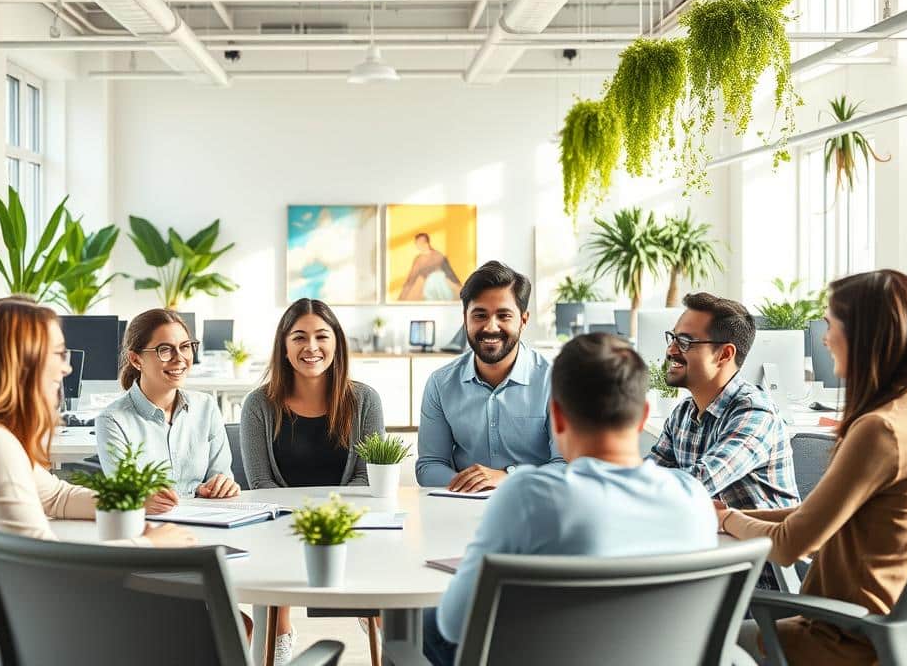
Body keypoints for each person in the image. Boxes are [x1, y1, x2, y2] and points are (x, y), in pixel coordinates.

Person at [0, 297, 192, 647]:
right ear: (23, 363)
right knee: (195, 623)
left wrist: (131, 501)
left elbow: (56, 495)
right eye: (58, 354)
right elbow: (44, 573)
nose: (66, 369)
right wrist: (148, 546)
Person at [718, 270, 907, 664]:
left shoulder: (880, 430)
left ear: (866, 335)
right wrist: (728, 517)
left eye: (829, 324)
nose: (824, 338)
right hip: (870, 632)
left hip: (838, 640)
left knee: (686, 635)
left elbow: (790, 545)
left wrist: (729, 520)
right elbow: (813, 519)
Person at [422, 333, 718, 666]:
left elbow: (456, 623)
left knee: (427, 625)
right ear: (643, 414)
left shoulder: (528, 495)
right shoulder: (692, 498)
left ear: (558, 416)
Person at [240, 298, 385, 663]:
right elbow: (260, 484)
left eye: (322, 336)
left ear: (336, 342)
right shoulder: (258, 405)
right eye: (299, 337)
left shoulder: (365, 400)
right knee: (272, 595)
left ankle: (372, 620)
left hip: (351, 526)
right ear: (283, 346)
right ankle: (282, 633)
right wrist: (307, 521)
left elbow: (365, 477)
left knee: (389, 604)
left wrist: (328, 521)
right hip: (278, 528)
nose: (311, 347)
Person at [415, 261, 563, 491]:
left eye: (504, 316)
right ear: (465, 319)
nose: (491, 327)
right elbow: (429, 466)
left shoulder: (555, 381)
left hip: (536, 505)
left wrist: (507, 478)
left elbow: (565, 465)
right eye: (480, 315)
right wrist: (476, 485)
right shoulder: (440, 384)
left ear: (523, 320)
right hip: (463, 505)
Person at [647, 292, 798, 512]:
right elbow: (649, 473)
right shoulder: (683, 414)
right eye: (673, 338)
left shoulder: (754, 413)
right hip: (715, 539)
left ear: (725, 354)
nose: (671, 350)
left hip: (763, 544)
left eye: (685, 341)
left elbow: (699, 481)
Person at [96, 308, 239, 510]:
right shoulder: (113, 420)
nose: (180, 358)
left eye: (186, 347)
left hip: (209, 521)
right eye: (165, 349)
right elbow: (129, 495)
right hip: (148, 528)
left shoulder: (206, 407)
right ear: (136, 360)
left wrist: (221, 485)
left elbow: (221, 476)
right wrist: (192, 491)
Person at [398, 233, 462, 301]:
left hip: (441, 286)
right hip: (426, 287)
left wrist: (460, 286)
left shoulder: (438, 256)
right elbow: (411, 278)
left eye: (421, 242)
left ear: (427, 243)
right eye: (417, 243)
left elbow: (450, 273)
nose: (419, 245)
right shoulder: (418, 259)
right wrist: (402, 296)